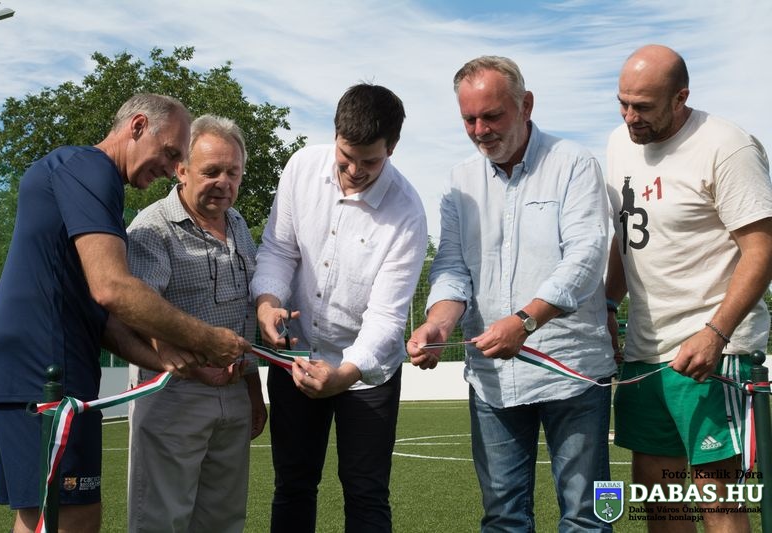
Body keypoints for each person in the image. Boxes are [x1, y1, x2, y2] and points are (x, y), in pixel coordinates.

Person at [0, 94, 251, 533]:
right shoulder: (91, 169)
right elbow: (113, 289)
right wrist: (207, 340)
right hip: (42, 366)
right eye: (170, 153)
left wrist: (168, 360)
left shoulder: (87, 178)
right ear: (138, 125)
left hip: (53, 363)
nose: (172, 168)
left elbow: (100, 315)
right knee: (70, 518)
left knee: (47, 517)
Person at [407, 56, 615, 532]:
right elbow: (452, 267)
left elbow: (585, 257)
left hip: (572, 371)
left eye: (492, 116)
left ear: (526, 106)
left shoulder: (574, 163)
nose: (480, 130)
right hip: (493, 378)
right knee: (503, 518)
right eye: (469, 119)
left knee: (587, 518)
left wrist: (525, 321)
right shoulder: (460, 181)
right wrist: (438, 325)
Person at [605, 44, 772, 532]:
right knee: (660, 501)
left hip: (713, 354)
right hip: (644, 356)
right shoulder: (618, 143)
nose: (630, 117)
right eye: (622, 103)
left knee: (717, 501)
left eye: (643, 106)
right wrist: (609, 305)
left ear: (680, 98)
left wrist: (716, 332)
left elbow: (762, 250)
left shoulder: (727, 146)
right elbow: (626, 237)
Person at [251, 83, 428, 533]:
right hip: (297, 357)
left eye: (370, 162)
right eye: (345, 157)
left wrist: (346, 374)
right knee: (293, 485)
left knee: (366, 491)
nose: (354, 171)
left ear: (392, 148)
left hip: (367, 373)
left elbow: (387, 316)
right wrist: (268, 304)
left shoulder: (407, 212)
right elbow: (279, 250)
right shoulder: (301, 167)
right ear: (335, 134)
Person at [126, 115, 267, 532]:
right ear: (181, 170)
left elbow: (244, 314)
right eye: (211, 171)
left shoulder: (238, 225)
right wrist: (186, 361)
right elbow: (135, 312)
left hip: (234, 394)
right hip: (175, 395)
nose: (224, 182)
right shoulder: (152, 228)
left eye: (233, 172)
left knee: (224, 521)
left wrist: (253, 391)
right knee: (161, 522)